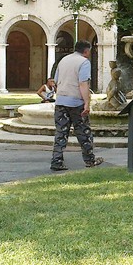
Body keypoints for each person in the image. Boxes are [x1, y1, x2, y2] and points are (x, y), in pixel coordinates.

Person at [50, 40, 104, 171]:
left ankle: (56, 161)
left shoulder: (63, 60)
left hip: (61, 101)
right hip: (76, 102)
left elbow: (54, 82)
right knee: (83, 131)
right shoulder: (84, 62)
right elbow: (83, 83)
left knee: (61, 132)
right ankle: (89, 160)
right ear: (86, 51)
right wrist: (87, 103)